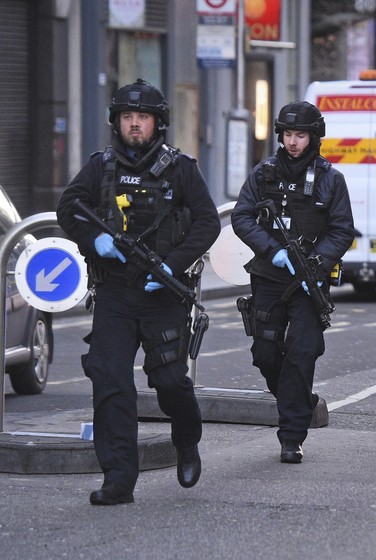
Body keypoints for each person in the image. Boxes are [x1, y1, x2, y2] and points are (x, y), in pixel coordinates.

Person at [56, 79, 220, 505]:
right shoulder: (101, 166)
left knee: (169, 382)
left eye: (141, 118)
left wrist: (172, 264)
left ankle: (186, 439)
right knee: (109, 381)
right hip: (115, 294)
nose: (134, 125)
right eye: (127, 117)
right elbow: (69, 207)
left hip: (163, 294)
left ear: (157, 123)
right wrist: (95, 241)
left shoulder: (181, 168)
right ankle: (119, 478)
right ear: (117, 122)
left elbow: (207, 223)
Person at [232, 101, 354, 464]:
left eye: (300, 135)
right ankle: (299, 401)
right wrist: (272, 251)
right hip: (269, 277)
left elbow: (342, 229)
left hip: (308, 283)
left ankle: (291, 435)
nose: (293, 142)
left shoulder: (331, 179)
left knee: (302, 353)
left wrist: (316, 262)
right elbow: (242, 217)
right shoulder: (263, 173)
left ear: (314, 138)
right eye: (288, 134)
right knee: (265, 353)